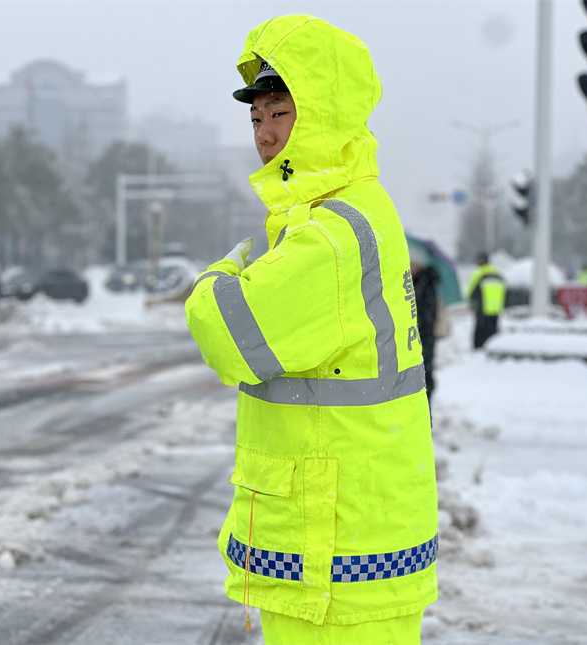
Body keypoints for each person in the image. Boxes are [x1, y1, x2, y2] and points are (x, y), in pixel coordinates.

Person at [185, 15, 438, 645]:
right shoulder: (349, 212)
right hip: (352, 539)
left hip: (334, 556)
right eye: (256, 118)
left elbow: (227, 331)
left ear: (324, 113)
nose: (265, 135)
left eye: (281, 113)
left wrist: (222, 271)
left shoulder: (331, 236)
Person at [410, 246, 440, 410]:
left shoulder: (427, 282)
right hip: (417, 333)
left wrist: (419, 318)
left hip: (425, 333)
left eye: (412, 263)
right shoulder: (413, 281)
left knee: (424, 367)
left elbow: (428, 309)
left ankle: (426, 404)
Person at [464, 252, 506, 349]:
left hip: (482, 307)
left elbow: (471, 291)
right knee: (493, 329)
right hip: (496, 307)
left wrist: (471, 302)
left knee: (480, 330)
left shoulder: (479, 273)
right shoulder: (497, 273)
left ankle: (479, 347)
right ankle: (494, 346)